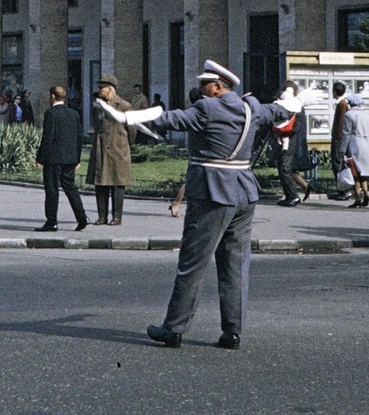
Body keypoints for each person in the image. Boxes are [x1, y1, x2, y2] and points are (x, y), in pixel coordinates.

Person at [133, 60, 304, 349]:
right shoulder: (252, 108)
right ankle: (232, 332)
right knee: (235, 265)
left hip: (212, 193)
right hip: (244, 193)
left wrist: (131, 115)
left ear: (217, 86)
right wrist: (296, 100)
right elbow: (280, 110)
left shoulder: (207, 108)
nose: (199, 90)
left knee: (193, 264)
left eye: (203, 85)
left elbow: (169, 120)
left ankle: (174, 328)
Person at [35, 84, 89, 232]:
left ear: (52, 96)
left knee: (52, 189)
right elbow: (79, 137)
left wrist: (40, 157)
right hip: (70, 158)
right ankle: (82, 217)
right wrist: (77, 158)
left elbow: (48, 138)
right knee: (70, 187)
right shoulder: (73, 113)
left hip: (54, 159)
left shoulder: (51, 113)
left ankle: (51, 221)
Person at [87, 75, 134, 225]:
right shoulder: (98, 105)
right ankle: (102, 216)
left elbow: (132, 129)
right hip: (101, 148)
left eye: (102, 88)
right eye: (99, 87)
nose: (99, 90)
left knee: (117, 184)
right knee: (101, 183)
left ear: (110, 89)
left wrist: (124, 144)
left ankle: (117, 216)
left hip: (117, 149)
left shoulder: (123, 105)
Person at [341, 105, 369, 208]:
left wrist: (342, 149)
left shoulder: (349, 115)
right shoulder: (366, 114)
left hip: (355, 144)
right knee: (363, 172)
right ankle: (366, 193)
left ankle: (357, 197)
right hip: (367, 143)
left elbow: (346, 133)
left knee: (355, 173)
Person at [328, 83, 352, 201]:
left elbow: (341, 123)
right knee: (338, 163)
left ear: (334, 92)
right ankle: (342, 189)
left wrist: (337, 137)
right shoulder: (343, 104)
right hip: (340, 137)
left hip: (339, 138)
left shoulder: (341, 105)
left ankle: (344, 190)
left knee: (338, 163)